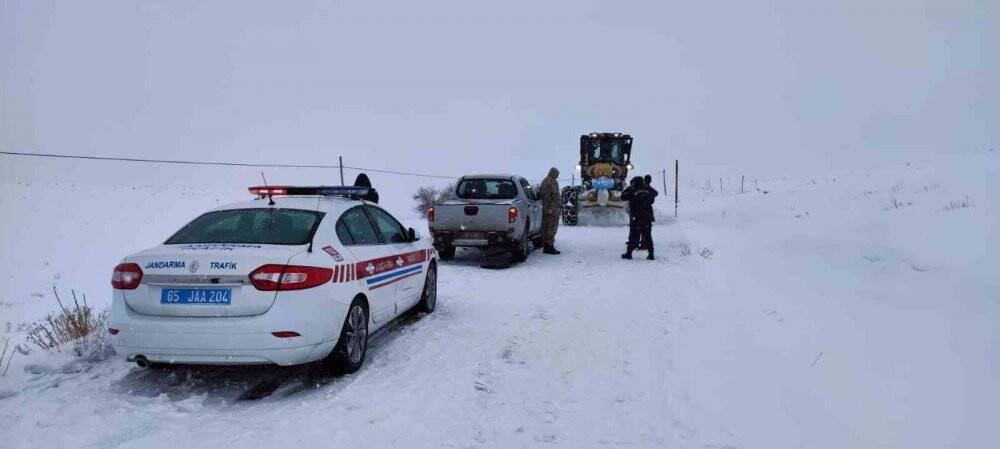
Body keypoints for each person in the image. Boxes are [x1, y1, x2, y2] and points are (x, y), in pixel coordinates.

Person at [621, 176, 655, 260]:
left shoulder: (632, 191)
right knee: (648, 236)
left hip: (637, 216)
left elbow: (623, 197)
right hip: (647, 216)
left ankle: (629, 254)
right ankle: (651, 254)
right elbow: (653, 197)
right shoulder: (648, 190)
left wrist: (628, 188)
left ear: (635, 183)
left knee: (634, 236)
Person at [538, 167, 562, 255]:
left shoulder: (548, 181)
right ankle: (549, 246)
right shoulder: (550, 182)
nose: (557, 177)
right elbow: (551, 196)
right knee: (551, 227)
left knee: (548, 227)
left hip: (550, 208)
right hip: (551, 209)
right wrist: (552, 207)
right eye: (556, 175)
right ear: (553, 173)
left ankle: (547, 245)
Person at [638, 174, 658, 250]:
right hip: (648, 211)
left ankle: (641, 243)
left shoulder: (640, 189)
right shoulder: (650, 190)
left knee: (640, 228)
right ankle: (645, 244)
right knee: (647, 230)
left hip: (640, 211)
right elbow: (656, 193)